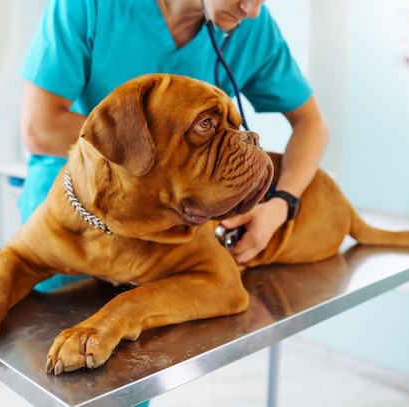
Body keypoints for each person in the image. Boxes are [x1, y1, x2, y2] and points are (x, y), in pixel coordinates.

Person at [19, 0, 328, 283]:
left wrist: (281, 205)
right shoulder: (89, 5)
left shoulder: (251, 27)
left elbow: (312, 124)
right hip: (77, 227)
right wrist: (153, 154)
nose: (252, 9)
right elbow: (41, 128)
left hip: (175, 237)